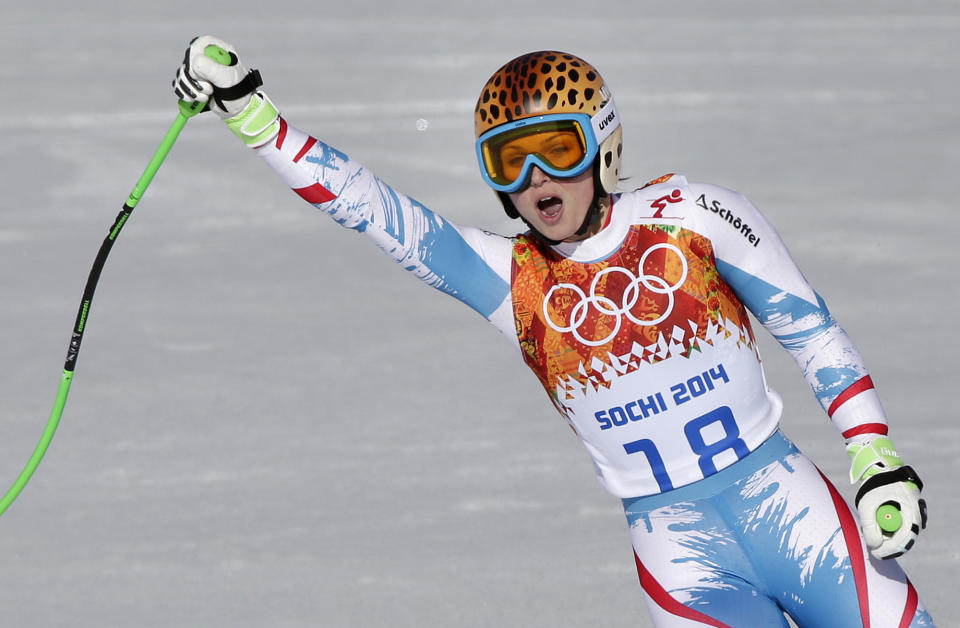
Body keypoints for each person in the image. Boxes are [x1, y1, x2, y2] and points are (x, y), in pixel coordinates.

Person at [172, 35, 935, 627]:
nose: (535, 178)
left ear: (601, 142)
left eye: (556, 149)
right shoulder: (511, 280)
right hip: (681, 556)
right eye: (510, 159)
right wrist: (252, 115)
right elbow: (376, 211)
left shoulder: (693, 216)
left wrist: (874, 456)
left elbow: (811, 332)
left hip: (795, 514)